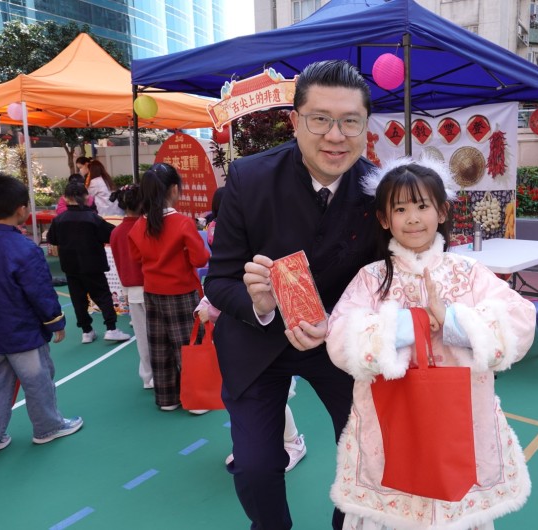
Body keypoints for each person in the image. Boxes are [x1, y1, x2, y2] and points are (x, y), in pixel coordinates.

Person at [204, 59, 380, 529]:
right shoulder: (249, 178)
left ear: (366, 126)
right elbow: (218, 280)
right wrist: (259, 304)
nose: (335, 136)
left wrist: (337, 324)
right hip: (257, 343)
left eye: (350, 121)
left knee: (369, 452)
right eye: (320, 119)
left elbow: (388, 284)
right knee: (256, 467)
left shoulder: (379, 190)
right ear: (295, 121)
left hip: (339, 345)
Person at [325, 158, 537, 529]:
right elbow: (340, 340)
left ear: (441, 212)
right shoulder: (371, 278)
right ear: (384, 219)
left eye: (422, 206)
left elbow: (520, 323)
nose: (412, 218)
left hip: (463, 417)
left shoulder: (468, 272)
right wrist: (413, 323)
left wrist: (453, 320)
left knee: (456, 500)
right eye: (400, 209)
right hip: (391, 418)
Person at [0, 174, 83, 461]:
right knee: (38, 380)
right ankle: (48, 427)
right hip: (22, 331)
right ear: (22, 209)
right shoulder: (25, 249)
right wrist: (55, 321)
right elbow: (40, 291)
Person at [128, 162, 210, 412]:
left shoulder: (139, 225)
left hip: (152, 291)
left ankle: (167, 398)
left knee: (159, 344)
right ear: (174, 189)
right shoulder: (182, 223)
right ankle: (196, 399)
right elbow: (200, 259)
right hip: (181, 290)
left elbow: (136, 256)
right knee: (188, 344)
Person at [194, 297, 307, 470]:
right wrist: (202, 307)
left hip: (263, 354)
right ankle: (249, 446)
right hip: (235, 354)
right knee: (241, 403)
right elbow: (213, 293)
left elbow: (246, 307)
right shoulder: (222, 282)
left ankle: (293, 442)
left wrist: (211, 312)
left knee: (274, 402)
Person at [46, 181, 131, 345]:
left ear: (65, 198)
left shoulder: (59, 220)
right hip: (93, 265)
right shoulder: (92, 218)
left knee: (78, 299)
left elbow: (52, 239)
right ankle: (111, 329)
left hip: (71, 266)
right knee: (103, 296)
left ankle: (86, 331)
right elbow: (110, 235)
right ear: (86, 197)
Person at [109, 184, 153, 389]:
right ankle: (164, 374)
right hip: (153, 286)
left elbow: (119, 263)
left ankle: (148, 376)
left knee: (142, 337)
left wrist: (125, 291)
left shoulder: (116, 232)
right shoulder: (147, 228)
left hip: (133, 290)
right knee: (160, 335)